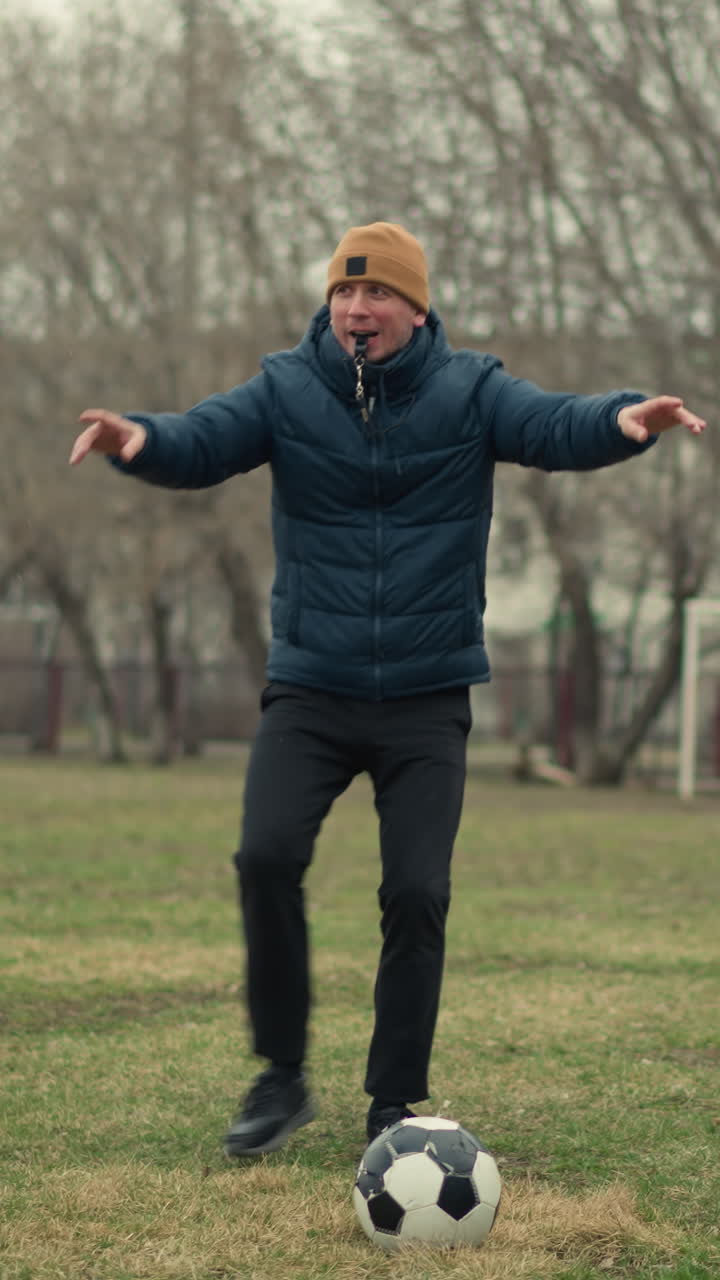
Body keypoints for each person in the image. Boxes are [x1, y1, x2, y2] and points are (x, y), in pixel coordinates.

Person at [70, 221, 707, 1157]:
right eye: (342, 294)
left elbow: (549, 424)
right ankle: (282, 1076)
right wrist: (140, 440)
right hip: (312, 688)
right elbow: (203, 441)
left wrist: (623, 420)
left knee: (416, 891)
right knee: (263, 857)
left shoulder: (471, 388)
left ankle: (393, 1104)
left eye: (376, 296)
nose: (356, 310)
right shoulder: (287, 388)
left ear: (414, 308)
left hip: (426, 695)